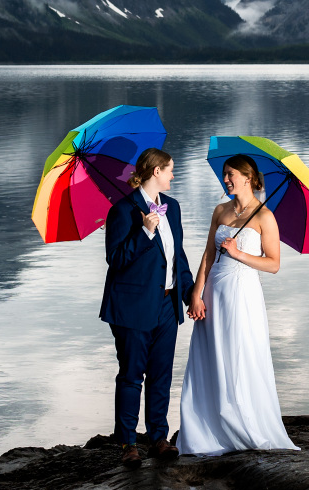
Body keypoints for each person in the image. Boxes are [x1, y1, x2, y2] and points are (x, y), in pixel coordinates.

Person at [177, 154, 299, 455]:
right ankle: (207, 428)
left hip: (242, 295)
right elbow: (208, 254)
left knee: (239, 353)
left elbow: (273, 264)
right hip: (213, 292)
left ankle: (243, 424)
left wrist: (239, 253)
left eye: (231, 174)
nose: (226, 179)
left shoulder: (265, 217)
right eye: (224, 174)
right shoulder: (220, 210)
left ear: (248, 177)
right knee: (209, 355)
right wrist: (196, 293)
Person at [100, 147, 197, 467]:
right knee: (131, 375)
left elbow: (177, 257)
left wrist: (191, 295)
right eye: (170, 169)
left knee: (161, 374)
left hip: (167, 305)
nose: (173, 174)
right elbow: (116, 260)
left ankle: (159, 438)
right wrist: (145, 231)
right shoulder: (123, 211)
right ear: (156, 171)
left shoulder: (175, 208)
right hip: (132, 307)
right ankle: (128, 442)